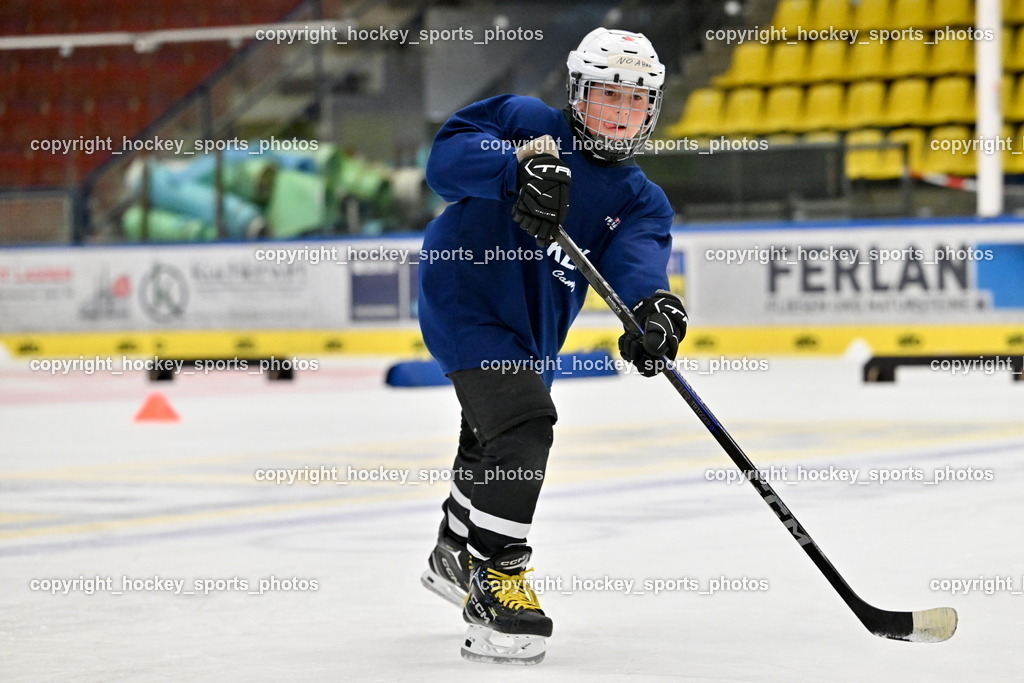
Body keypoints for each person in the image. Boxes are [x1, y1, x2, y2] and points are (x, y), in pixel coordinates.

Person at [418, 27, 688, 665]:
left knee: (490, 440)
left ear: (651, 110)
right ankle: (496, 579)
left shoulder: (641, 200)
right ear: (577, 94)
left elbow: (639, 265)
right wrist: (513, 169)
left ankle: (453, 549)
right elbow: (447, 162)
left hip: (533, 329)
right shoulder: (527, 122)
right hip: (464, 293)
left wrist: (654, 313)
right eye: (606, 98)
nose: (619, 115)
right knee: (524, 423)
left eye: (633, 102)